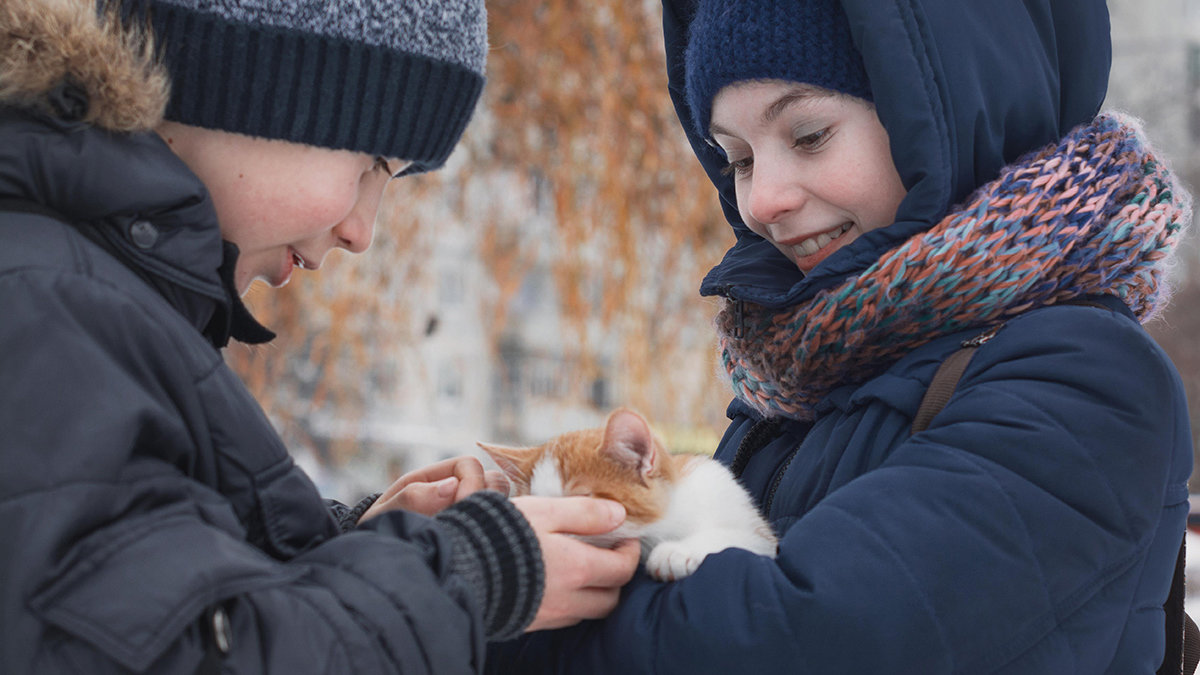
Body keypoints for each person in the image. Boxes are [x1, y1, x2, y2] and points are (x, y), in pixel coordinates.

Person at [488, 0, 1193, 672]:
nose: (762, 201)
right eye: (737, 158)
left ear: (947, 107)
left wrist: (483, 594)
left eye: (808, 135)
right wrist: (439, 546)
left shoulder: (1084, 380)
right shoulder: (803, 378)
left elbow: (790, 641)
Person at [0, 0, 639, 672]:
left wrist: (349, 546)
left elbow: (139, 595)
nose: (362, 232)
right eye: (370, 165)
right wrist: (465, 571)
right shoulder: (46, 307)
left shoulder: (84, 295)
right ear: (252, 88)